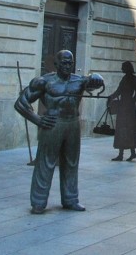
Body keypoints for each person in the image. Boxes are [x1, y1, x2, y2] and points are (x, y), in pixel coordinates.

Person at [14, 50, 104, 214]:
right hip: (53, 124)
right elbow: (21, 103)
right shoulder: (44, 81)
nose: (67, 66)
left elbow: (95, 82)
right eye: (64, 62)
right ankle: (38, 202)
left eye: (70, 62)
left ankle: (71, 199)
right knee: (45, 163)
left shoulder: (79, 81)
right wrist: (37, 119)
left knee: (71, 162)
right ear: (56, 64)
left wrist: (97, 76)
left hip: (73, 124)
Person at [109, 61, 136, 161]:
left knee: (129, 129)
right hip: (123, 106)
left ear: (127, 68)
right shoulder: (124, 78)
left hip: (128, 108)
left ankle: (130, 153)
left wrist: (132, 102)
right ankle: (122, 154)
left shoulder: (133, 78)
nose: (121, 69)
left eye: (123, 67)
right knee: (121, 129)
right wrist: (111, 97)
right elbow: (118, 91)